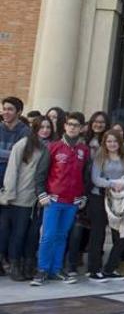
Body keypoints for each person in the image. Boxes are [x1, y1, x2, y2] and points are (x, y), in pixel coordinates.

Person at [31, 112, 89, 286]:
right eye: (70, 124)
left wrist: (83, 196)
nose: (72, 127)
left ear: (81, 128)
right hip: (53, 200)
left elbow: (85, 176)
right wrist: (42, 194)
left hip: (72, 202)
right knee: (48, 236)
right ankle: (42, 270)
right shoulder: (53, 147)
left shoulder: (83, 151)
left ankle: (56, 270)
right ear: (65, 126)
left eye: (76, 125)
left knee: (62, 236)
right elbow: (40, 173)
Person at [1, 116, 50, 281]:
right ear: (34, 128)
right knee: (18, 233)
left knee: (32, 234)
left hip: (38, 199)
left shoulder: (48, 147)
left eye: (48, 127)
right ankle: (14, 265)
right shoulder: (23, 144)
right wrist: (9, 194)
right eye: (41, 127)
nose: (45, 130)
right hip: (20, 197)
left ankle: (28, 264)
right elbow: (12, 170)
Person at [86, 130, 124, 282]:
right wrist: (112, 184)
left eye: (115, 141)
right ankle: (94, 270)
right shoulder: (100, 156)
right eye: (109, 141)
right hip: (99, 197)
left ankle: (109, 268)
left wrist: (123, 185)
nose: (112, 144)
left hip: (119, 200)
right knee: (98, 235)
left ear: (120, 142)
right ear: (104, 143)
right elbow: (95, 178)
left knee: (122, 236)